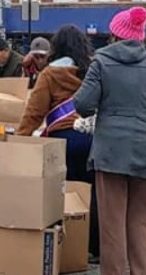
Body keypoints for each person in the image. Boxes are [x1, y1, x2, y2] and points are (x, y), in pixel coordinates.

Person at [73, 7, 146, 275]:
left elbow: (82, 104)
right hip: (145, 148)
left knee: (112, 216)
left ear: (114, 35)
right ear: (140, 36)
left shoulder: (102, 63)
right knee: (142, 215)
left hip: (110, 149)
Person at [19, 25, 100, 260]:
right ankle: (95, 245)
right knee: (94, 194)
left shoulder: (50, 74)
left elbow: (35, 112)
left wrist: (20, 137)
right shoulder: (93, 70)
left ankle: (71, 246)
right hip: (93, 138)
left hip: (63, 139)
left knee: (65, 194)